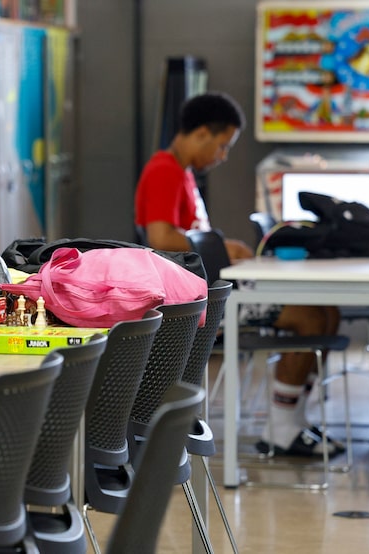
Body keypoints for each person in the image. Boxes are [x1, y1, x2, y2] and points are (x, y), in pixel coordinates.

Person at [135, 91, 343, 458]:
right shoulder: (164, 170)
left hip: (207, 287)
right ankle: (281, 430)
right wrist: (217, 246)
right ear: (201, 133)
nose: (223, 156)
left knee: (327, 312)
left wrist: (220, 245)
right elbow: (160, 238)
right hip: (196, 303)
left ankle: (292, 420)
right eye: (222, 145)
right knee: (311, 316)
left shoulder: (179, 172)